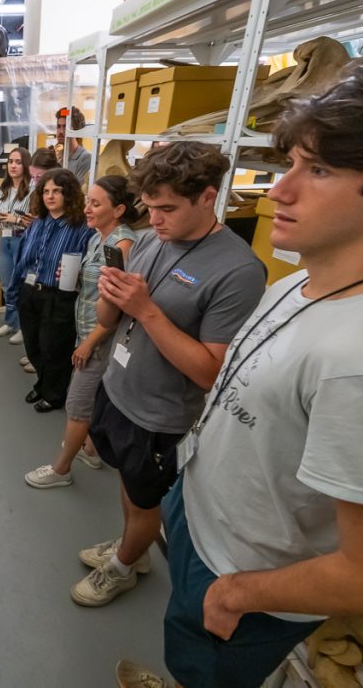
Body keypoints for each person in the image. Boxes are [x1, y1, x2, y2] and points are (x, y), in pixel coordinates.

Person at [118, 52, 363, 688]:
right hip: (200, 519)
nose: (279, 190)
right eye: (290, 164)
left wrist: (240, 593)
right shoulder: (298, 285)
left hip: (244, 571)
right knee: (185, 651)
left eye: (319, 170)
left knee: (209, 670)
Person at [70, 142, 266, 607]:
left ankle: (123, 566)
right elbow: (113, 319)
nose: (154, 221)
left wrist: (146, 309)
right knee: (128, 487)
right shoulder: (154, 240)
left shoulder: (238, 270)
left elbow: (210, 372)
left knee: (145, 500)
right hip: (117, 390)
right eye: (150, 208)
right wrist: (110, 296)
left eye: (167, 209)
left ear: (207, 197)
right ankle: (130, 551)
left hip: (159, 416)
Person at [24, 175, 138, 487]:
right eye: (88, 201)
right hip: (85, 329)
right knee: (92, 396)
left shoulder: (122, 245)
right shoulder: (95, 237)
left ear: (118, 210)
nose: (87, 208)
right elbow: (92, 287)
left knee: (77, 403)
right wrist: (71, 278)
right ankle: (89, 448)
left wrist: (89, 343)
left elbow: (121, 308)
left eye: (96, 203)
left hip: (100, 338)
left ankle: (61, 470)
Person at [14, 168, 94, 412]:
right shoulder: (39, 222)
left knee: (55, 349)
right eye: (46, 191)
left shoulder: (82, 227)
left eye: (57, 191)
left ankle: (55, 394)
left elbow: (86, 264)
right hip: (29, 291)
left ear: (68, 194)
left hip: (58, 295)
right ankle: (42, 383)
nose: (50, 196)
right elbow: (25, 256)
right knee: (33, 345)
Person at [17, 147, 59, 372]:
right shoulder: (37, 193)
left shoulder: (57, 195)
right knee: (32, 315)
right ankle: (34, 354)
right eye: (33, 177)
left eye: (40, 177)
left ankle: (41, 357)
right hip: (33, 262)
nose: (35, 182)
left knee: (46, 320)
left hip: (50, 271)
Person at [0, 147, 31, 345]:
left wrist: (14, 218)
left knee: (21, 285)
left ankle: (23, 328)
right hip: (4, 239)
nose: (13, 166)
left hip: (21, 240)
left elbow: (33, 222)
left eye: (18, 162)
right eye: (10, 162)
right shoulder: (4, 189)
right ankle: (10, 322)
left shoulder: (32, 190)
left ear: (25, 165)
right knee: (7, 285)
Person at [66, 106, 92, 185]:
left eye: (65, 127)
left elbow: (77, 191)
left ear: (76, 131)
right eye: (58, 126)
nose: (60, 131)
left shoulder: (86, 158)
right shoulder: (58, 156)